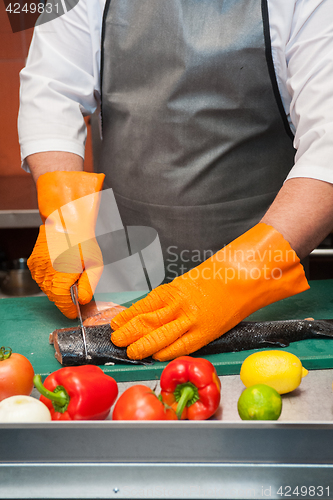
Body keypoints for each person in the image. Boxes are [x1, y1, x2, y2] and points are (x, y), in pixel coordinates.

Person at [19, 0, 333, 361]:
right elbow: (50, 90)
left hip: (261, 291)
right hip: (118, 277)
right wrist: (64, 210)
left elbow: (328, 143)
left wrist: (237, 279)